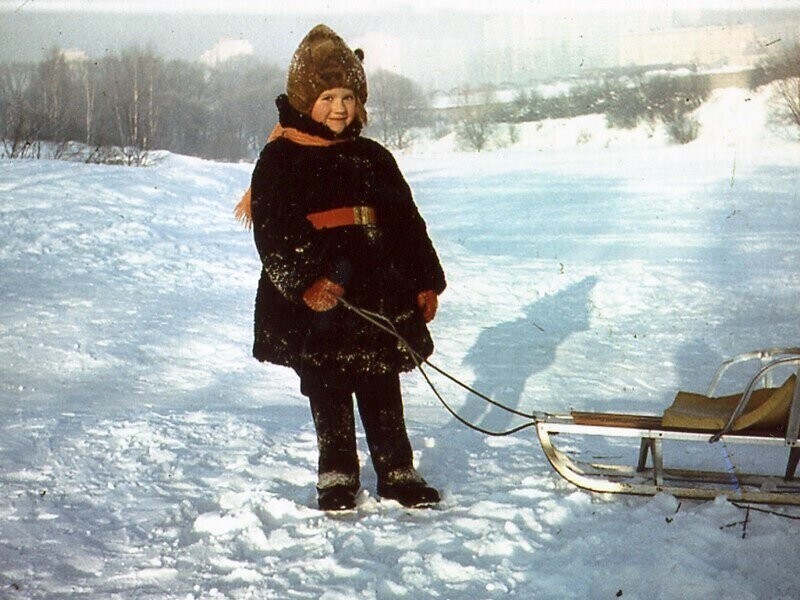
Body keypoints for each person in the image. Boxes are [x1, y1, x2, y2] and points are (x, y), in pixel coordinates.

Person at [240, 24, 446, 511]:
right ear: (305, 98)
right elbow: (274, 230)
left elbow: (405, 221)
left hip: (377, 291)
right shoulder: (280, 158)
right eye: (328, 96)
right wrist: (310, 279)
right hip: (323, 298)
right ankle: (337, 473)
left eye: (349, 96)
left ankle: (396, 469)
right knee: (329, 384)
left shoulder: (373, 157)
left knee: (381, 380)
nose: (339, 108)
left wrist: (423, 280)